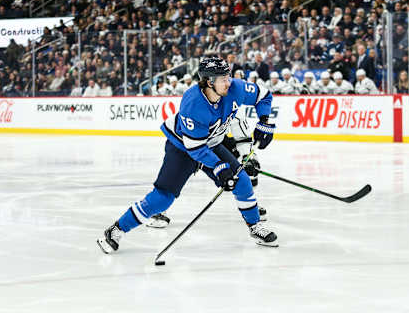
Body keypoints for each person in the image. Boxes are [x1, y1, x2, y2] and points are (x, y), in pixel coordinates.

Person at [97, 57, 278, 254]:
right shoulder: (193, 103)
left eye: (228, 77)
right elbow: (196, 149)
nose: (228, 82)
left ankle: (255, 227)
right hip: (183, 147)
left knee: (242, 182)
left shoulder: (236, 88)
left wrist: (265, 122)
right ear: (209, 82)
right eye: (222, 79)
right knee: (162, 199)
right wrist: (220, 168)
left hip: (211, 142)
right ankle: (116, 230)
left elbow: (264, 96)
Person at [147, 107, 268, 228]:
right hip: (186, 144)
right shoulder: (200, 101)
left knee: (243, 173)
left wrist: (248, 158)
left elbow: (242, 135)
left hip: (215, 141)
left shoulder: (235, 103)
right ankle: (157, 210)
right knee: (170, 182)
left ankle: (250, 206)